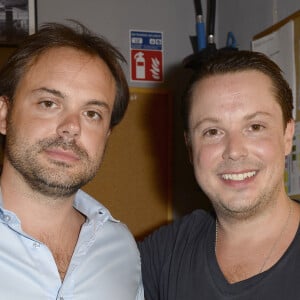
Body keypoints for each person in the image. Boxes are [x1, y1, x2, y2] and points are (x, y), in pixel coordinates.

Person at [139, 50, 300, 299]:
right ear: (190, 147)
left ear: (287, 135)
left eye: (255, 127)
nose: (234, 151)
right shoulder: (164, 255)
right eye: (212, 132)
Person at [0, 21, 143, 299]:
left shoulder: (121, 248)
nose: (71, 127)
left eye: (92, 113)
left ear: (106, 134)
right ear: (4, 115)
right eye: (49, 103)